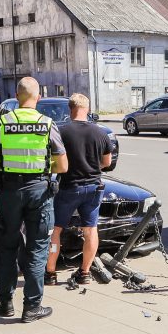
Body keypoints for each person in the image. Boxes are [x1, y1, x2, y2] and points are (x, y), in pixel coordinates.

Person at [0, 77, 68, 323]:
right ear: (38, 97)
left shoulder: (2, 123)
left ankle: (5, 303)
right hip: (39, 192)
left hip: (10, 192)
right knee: (37, 248)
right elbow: (62, 165)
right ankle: (32, 306)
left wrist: (10, 165)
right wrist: (39, 167)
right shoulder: (47, 124)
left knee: (7, 246)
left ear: (16, 97)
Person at [45, 93, 112, 285]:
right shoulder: (100, 133)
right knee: (90, 230)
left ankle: (50, 273)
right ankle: (84, 273)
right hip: (93, 187)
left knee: (55, 230)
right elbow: (106, 162)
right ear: (88, 109)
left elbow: (54, 159)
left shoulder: (61, 131)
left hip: (68, 187)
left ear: (70, 109)